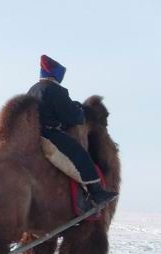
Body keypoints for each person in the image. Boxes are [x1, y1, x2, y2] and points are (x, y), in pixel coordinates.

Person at [28, 55, 118, 205]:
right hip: (49, 134)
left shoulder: (33, 89)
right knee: (80, 154)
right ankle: (96, 192)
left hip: (32, 134)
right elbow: (73, 117)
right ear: (56, 73)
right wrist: (80, 112)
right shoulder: (56, 90)